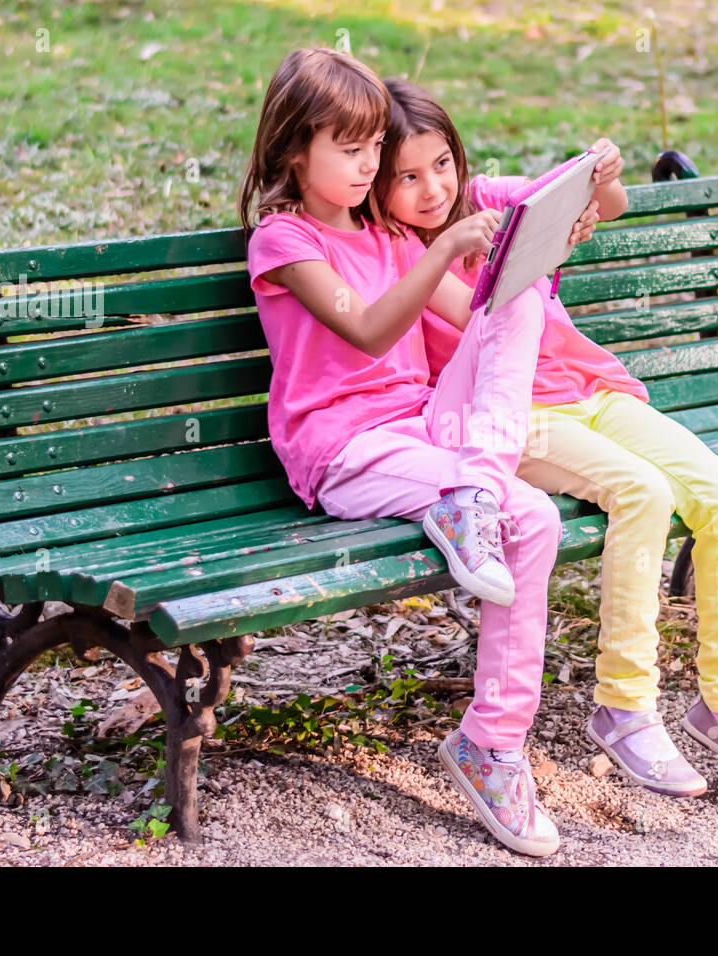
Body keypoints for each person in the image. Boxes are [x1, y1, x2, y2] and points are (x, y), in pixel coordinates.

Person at [368, 77, 718, 798]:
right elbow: (485, 309)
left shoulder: (483, 195)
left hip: (591, 387)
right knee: (643, 493)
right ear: (377, 185)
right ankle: (625, 707)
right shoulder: (398, 252)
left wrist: (599, 178)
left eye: (441, 164)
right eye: (406, 177)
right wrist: (484, 248)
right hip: (510, 420)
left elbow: (601, 205)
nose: (432, 188)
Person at [239, 49, 570, 855]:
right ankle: (474, 498)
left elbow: (475, 314)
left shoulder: (387, 234)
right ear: (293, 151)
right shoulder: (284, 241)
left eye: (369, 151)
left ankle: (488, 743)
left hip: (433, 437)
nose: (366, 167)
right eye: (347, 151)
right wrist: (436, 247)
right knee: (519, 518)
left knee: (539, 514)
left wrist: (539, 244)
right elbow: (369, 327)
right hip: (345, 451)